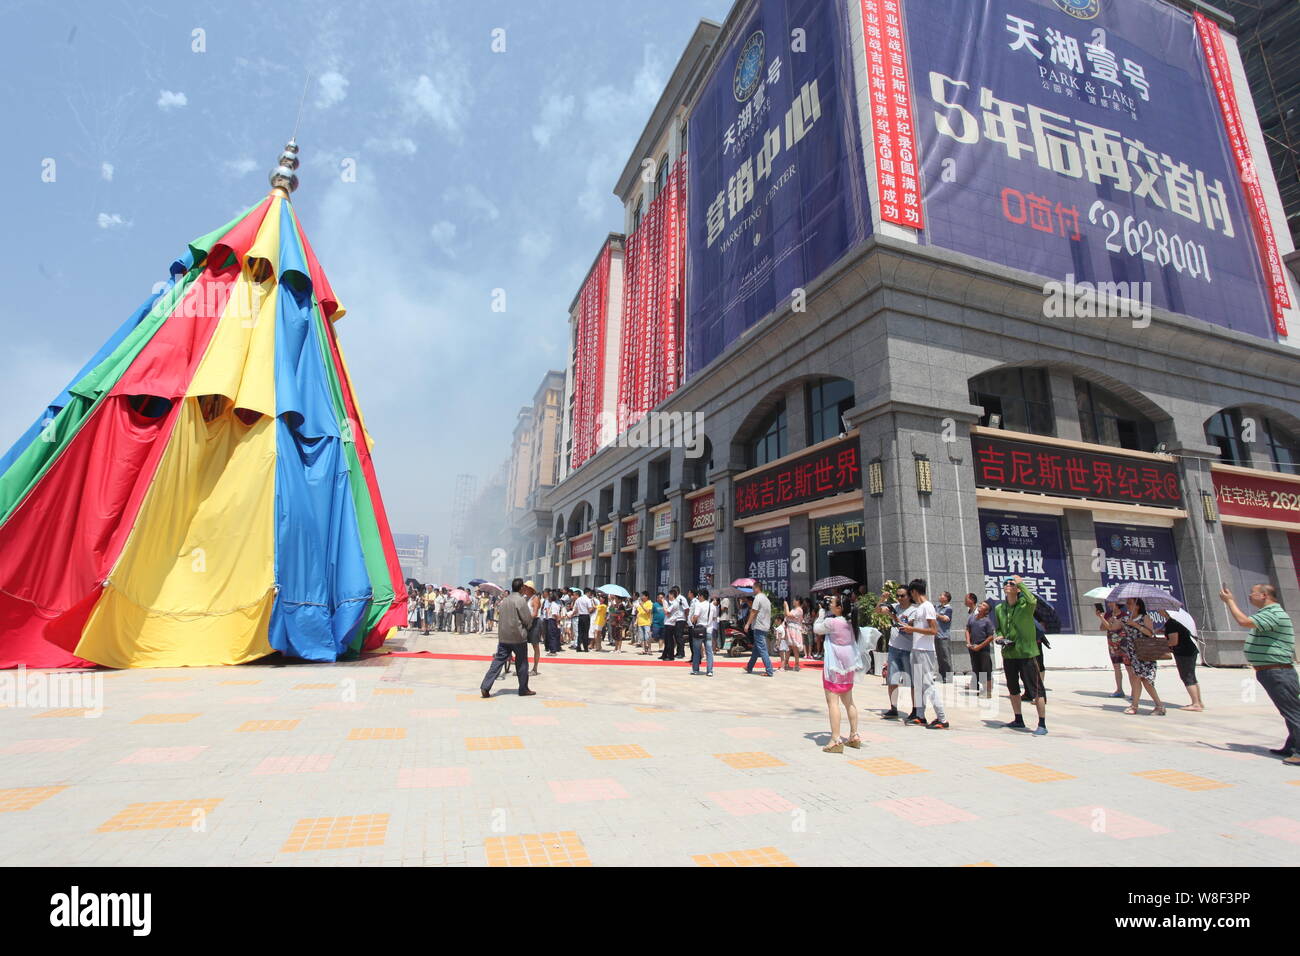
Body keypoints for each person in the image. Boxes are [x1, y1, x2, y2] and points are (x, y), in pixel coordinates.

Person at [1219, 583, 1300, 765]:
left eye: (1252, 593)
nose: (1249, 595)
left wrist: (1230, 602)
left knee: (1293, 711)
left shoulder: (1274, 613)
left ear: (1264, 595)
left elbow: (1244, 622)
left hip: (1278, 671)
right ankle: (1292, 746)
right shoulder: (1267, 613)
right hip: (1271, 670)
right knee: (1288, 710)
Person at [818, 595, 876, 753]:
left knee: (833, 703)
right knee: (849, 701)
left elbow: (817, 628)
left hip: (834, 665)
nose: (830, 604)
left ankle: (835, 739)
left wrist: (821, 612)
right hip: (849, 665)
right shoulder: (851, 623)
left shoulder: (832, 622)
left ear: (839, 608)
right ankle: (854, 735)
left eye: (833, 602)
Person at [995, 576, 1047, 734]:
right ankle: (1018, 719)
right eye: (1005, 583)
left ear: (1017, 589)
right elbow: (999, 628)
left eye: (1011, 584)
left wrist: (1021, 583)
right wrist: (999, 636)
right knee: (1013, 688)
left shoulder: (1025, 605)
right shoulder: (999, 608)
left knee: (1036, 689)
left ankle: (1042, 724)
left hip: (1026, 653)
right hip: (1009, 653)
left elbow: (1032, 600)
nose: (1008, 585)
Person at [901, 579, 948, 729]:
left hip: (925, 650)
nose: (911, 597)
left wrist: (913, 630)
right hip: (916, 649)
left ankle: (942, 718)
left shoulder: (927, 607)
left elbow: (934, 630)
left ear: (914, 592)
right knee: (919, 684)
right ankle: (920, 716)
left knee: (928, 684)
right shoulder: (920, 607)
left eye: (911, 594)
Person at [479, 579, 537, 698]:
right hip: (518, 637)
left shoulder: (505, 600)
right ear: (521, 588)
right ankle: (523, 689)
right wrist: (528, 628)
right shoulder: (520, 601)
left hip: (504, 637)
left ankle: (485, 686)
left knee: (497, 662)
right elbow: (527, 619)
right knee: (522, 663)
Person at [1118, 597, 1165, 716]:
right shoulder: (1127, 618)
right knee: (1136, 678)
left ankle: (1159, 706)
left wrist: (1136, 625)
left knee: (1146, 680)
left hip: (1145, 652)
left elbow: (1150, 633)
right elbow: (1112, 627)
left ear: (1137, 605)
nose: (1127, 605)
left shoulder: (1145, 617)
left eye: (1130, 603)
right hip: (1133, 653)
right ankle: (1135, 705)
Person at [881, 588, 915, 720]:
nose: (899, 598)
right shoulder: (894, 607)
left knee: (912, 681)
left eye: (902, 596)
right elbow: (878, 611)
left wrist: (894, 617)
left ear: (909, 596)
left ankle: (915, 710)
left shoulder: (914, 610)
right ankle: (893, 708)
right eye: (898, 596)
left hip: (908, 649)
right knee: (892, 680)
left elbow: (908, 629)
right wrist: (882, 600)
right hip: (894, 648)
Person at [1162, 613, 1203, 712]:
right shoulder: (1175, 622)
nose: (1159, 611)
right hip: (1190, 650)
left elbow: (1173, 641)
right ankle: (1198, 701)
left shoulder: (1172, 623)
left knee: (1187, 676)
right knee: (1191, 676)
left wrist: (1161, 644)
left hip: (1184, 652)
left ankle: (1196, 704)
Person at [1097, 601, 1130, 698]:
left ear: (1117, 603)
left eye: (1112, 603)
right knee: (1116, 667)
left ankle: (1134, 691)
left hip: (1124, 643)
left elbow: (1112, 627)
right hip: (1112, 643)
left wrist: (1103, 618)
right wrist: (1104, 618)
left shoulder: (1124, 615)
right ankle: (1119, 690)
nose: (1109, 604)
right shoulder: (1108, 614)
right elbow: (1102, 628)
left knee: (1129, 667)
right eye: (1109, 603)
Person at [965, 598, 995, 697]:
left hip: (983, 649)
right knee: (977, 669)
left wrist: (980, 646)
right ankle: (982, 688)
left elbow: (990, 637)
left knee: (986, 670)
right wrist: (969, 643)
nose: (980, 605)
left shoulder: (987, 621)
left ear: (986, 611)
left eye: (983, 606)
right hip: (973, 648)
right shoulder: (972, 618)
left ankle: (988, 691)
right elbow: (967, 630)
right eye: (981, 604)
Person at [743, 584, 775, 677]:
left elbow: (753, 612)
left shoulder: (757, 598)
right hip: (765, 626)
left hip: (759, 626)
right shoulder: (766, 599)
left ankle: (769, 670)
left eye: (753, 588)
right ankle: (749, 667)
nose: (753, 590)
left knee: (762, 649)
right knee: (756, 649)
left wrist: (747, 624)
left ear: (757, 588)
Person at [689, 588, 714, 676]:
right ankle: (710, 671)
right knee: (709, 651)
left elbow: (695, 616)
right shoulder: (712, 606)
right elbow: (714, 618)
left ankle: (695, 669)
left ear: (702, 596)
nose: (698, 597)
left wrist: (692, 620)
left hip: (699, 629)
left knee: (696, 650)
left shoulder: (699, 605)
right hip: (709, 630)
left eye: (698, 595)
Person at [779, 597, 804, 671]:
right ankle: (786, 663)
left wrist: (786, 606)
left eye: (794, 600)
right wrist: (785, 607)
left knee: (795, 647)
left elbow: (788, 614)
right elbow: (786, 615)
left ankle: (796, 664)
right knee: (788, 647)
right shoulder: (794, 609)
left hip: (795, 630)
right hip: (790, 629)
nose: (793, 601)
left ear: (798, 601)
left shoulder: (799, 610)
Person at [935, 591, 954, 683]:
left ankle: (949, 677)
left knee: (946, 657)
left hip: (944, 636)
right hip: (936, 635)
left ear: (946, 598)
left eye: (941, 595)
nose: (939, 596)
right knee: (939, 657)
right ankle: (942, 675)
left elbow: (946, 618)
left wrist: (937, 615)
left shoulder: (948, 608)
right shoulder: (937, 607)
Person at [664, 587, 688, 661]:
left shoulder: (681, 598)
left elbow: (686, 608)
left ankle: (681, 652)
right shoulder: (674, 600)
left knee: (679, 636)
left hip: (681, 619)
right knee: (675, 636)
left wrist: (686, 618)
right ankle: (677, 652)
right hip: (674, 620)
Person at [651, 592, 667, 658]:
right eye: (659, 598)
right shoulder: (654, 605)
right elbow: (651, 613)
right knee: (655, 635)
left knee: (662, 637)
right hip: (656, 623)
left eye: (661, 597)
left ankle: (660, 648)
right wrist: (651, 621)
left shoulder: (666, 604)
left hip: (664, 623)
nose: (660, 599)